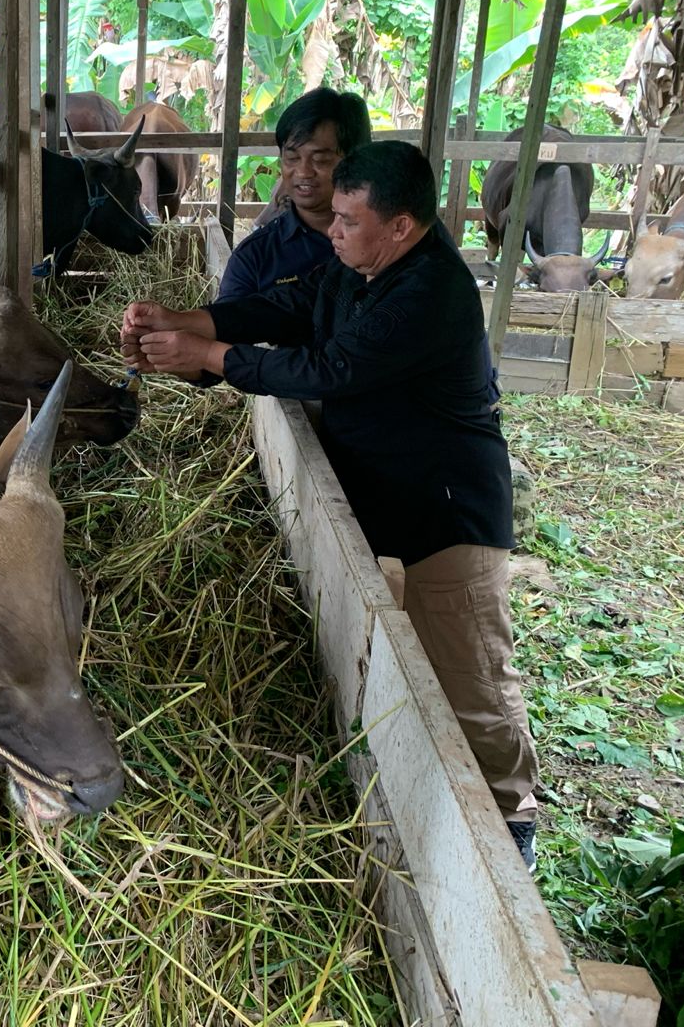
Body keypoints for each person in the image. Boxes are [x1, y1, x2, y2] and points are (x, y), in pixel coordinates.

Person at [121, 141, 540, 869]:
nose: (332, 230)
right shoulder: (359, 270)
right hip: (386, 495)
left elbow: (332, 369)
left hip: (448, 515)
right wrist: (190, 321)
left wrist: (212, 358)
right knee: (411, 656)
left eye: (348, 220)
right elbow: (289, 306)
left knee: (470, 676)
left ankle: (512, 824)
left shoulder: (430, 290)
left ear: (401, 226)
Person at [218, 87, 371, 303]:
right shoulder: (255, 255)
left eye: (320, 160)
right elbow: (227, 325)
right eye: (292, 157)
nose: (303, 172)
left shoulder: (383, 242)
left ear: (354, 161)